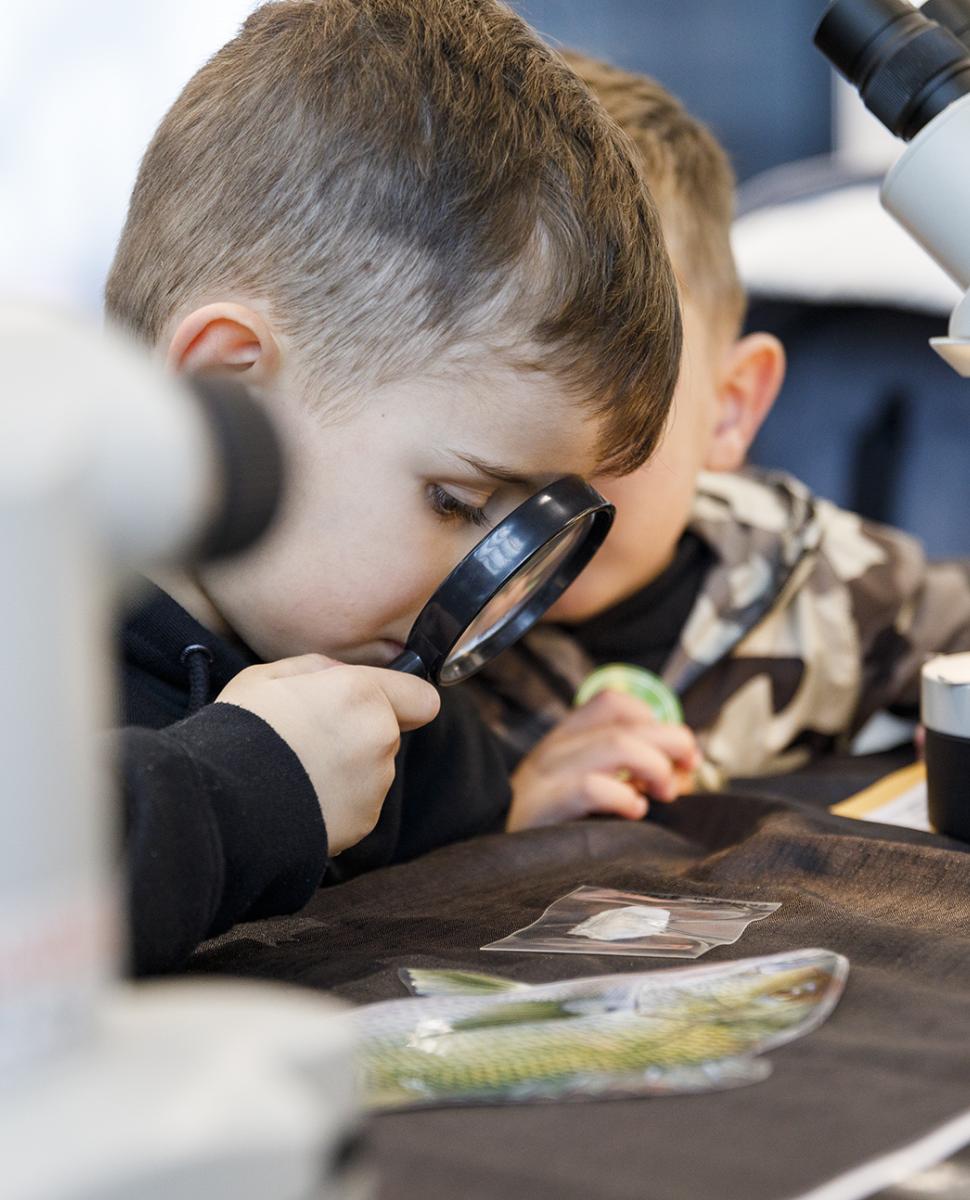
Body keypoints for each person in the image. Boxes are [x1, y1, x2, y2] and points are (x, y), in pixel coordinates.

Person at [104, 3, 682, 971]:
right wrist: (248, 793)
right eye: (454, 503)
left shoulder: (392, 687)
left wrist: (521, 813)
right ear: (220, 396)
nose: (488, 590)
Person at [471, 53, 970, 832]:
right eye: (487, 406)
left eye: (612, 398)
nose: (539, 475)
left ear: (730, 408)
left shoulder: (823, 578)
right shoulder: (402, 629)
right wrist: (503, 818)